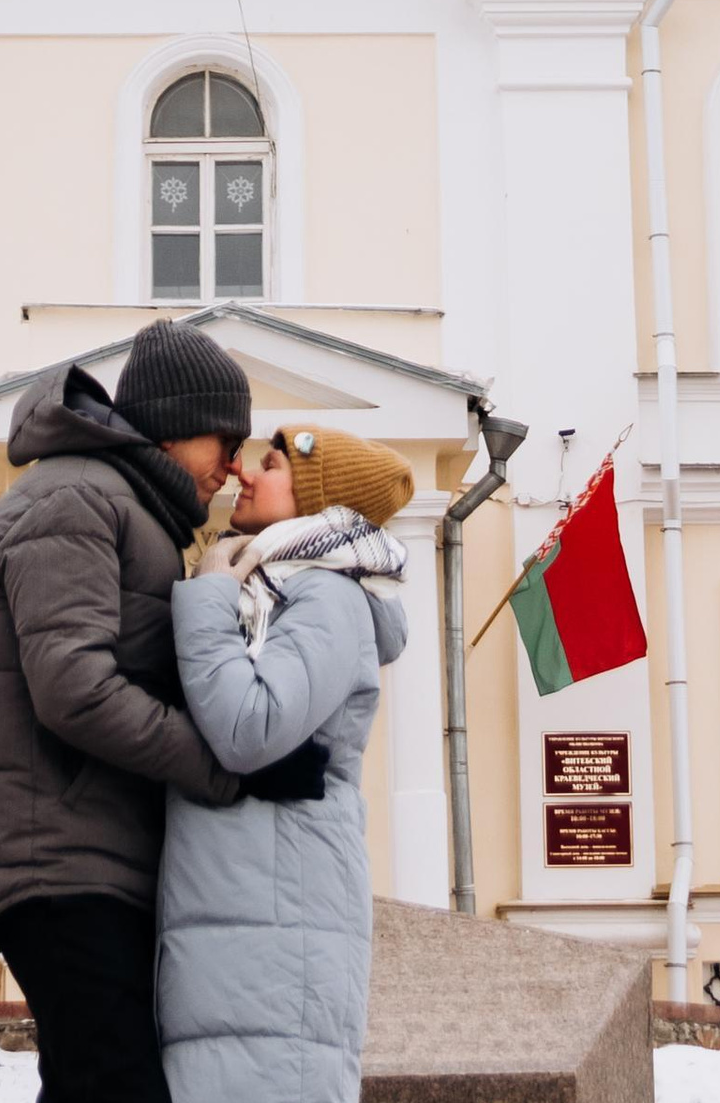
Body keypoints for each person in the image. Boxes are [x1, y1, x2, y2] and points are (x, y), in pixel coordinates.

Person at [0, 320, 315, 1103]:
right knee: (114, 1085)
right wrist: (229, 770)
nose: (234, 468)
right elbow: (75, 691)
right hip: (60, 866)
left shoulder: (129, 509)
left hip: (93, 859)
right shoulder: (75, 497)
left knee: (98, 1083)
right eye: (226, 440)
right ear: (177, 425)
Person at [156, 423, 416, 1103]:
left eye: (268, 466)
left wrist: (208, 591)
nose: (244, 475)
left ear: (315, 496)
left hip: (277, 924)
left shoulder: (328, 595)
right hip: (245, 912)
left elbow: (249, 726)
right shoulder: (274, 588)